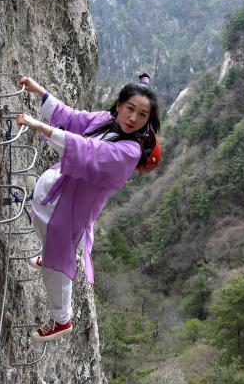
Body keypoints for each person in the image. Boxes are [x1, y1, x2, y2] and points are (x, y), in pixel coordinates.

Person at [16, 73, 161, 342]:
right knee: (42, 228)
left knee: (58, 264)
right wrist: (40, 93)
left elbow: (88, 151)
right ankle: (48, 254)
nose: (133, 118)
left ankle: (61, 318)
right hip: (56, 195)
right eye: (130, 109)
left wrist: (41, 127)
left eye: (142, 115)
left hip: (70, 210)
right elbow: (72, 118)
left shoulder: (129, 150)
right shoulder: (106, 121)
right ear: (119, 105)